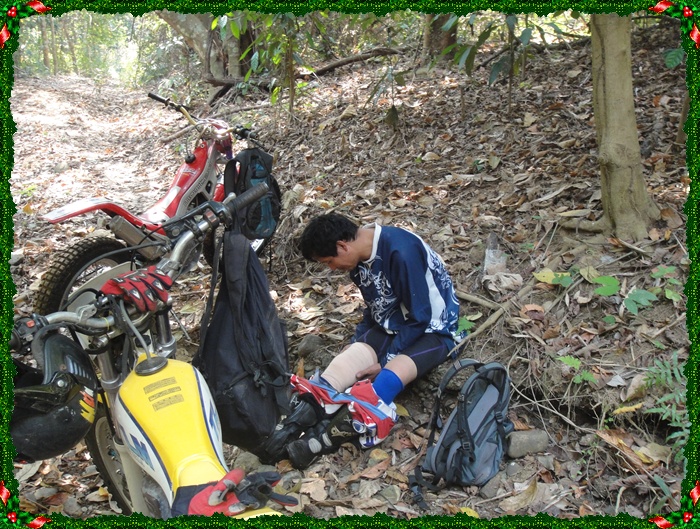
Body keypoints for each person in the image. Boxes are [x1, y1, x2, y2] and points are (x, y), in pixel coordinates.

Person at [265, 213, 466, 469]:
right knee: (344, 365)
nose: (332, 268)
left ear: (342, 246)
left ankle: (320, 442)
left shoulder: (400, 252)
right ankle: (292, 427)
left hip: (435, 329)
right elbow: (375, 308)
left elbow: (421, 316)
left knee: (385, 382)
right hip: (395, 324)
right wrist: (358, 340)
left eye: (330, 261)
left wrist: (386, 360)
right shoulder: (360, 260)